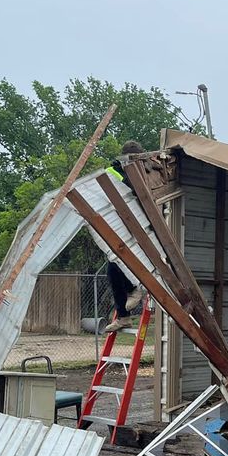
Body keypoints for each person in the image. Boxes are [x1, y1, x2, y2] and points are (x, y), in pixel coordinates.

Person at [102, 140, 148, 333]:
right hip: (121, 226)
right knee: (113, 268)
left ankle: (133, 292)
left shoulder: (145, 172)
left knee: (117, 267)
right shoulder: (114, 173)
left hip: (138, 228)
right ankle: (124, 314)